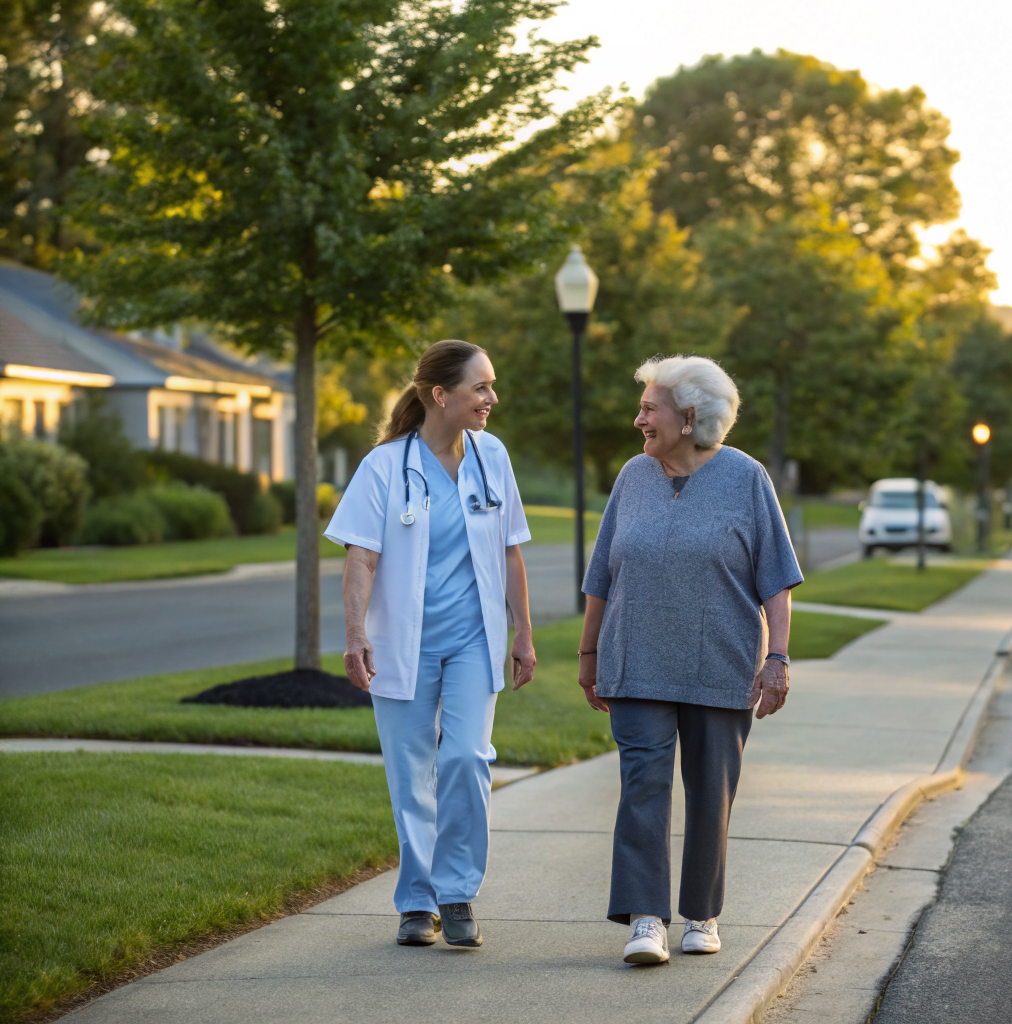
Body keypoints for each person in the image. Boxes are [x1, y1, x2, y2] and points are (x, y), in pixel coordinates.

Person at [578, 354, 803, 965]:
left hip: (721, 660)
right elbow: (602, 574)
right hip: (634, 657)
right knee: (642, 785)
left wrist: (777, 657)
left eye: (649, 409)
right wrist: (589, 651)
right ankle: (646, 918)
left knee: (711, 791)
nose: (638, 419)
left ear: (690, 415)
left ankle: (700, 913)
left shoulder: (746, 478)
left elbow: (776, 581)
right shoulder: (633, 476)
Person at [324, 339, 535, 950]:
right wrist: (356, 634)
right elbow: (360, 558)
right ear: (441, 395)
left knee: (466, 759)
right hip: (402, 645)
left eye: (491, 387)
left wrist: (522, 631)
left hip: (473, 640)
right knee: (411, 774)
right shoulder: (386, 466)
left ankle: (458, 891)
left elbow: (511, 549)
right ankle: (417, 901)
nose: (492, 398)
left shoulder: (492, 456)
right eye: (481, 388)